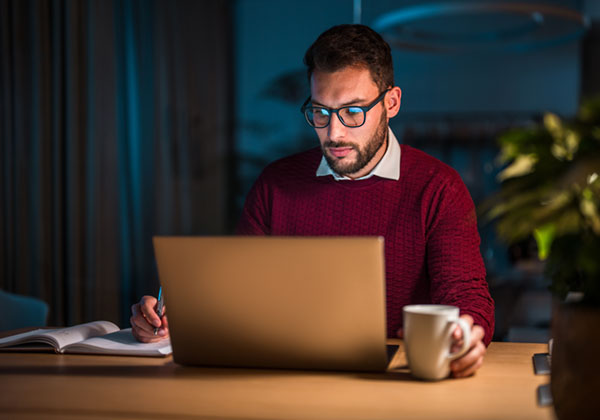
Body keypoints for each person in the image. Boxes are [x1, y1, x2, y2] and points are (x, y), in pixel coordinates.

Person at [131, 24, 494, 378]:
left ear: (392, 102)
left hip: (395, 382)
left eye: (353, 111)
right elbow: (239, 297)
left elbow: (466, 298)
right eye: (321, 112)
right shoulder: (276, 183)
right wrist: (176, 319)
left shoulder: (438, 187)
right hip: (286, 378)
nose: (333, 132)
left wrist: (464, 334)